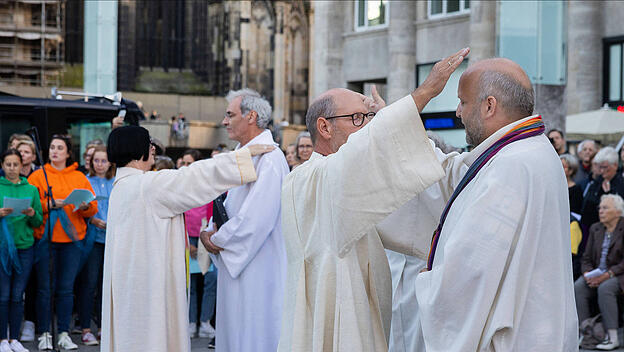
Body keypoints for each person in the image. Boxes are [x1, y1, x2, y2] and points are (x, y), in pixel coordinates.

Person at [278, 49, 462, 351]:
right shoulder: (308, 178)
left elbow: (413, 188)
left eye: (368, 118)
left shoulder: (351, 180)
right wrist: (424, 93)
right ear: (324, 127)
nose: (366, 126)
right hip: (334, 311)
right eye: (357, 118)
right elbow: (359, 156)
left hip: (360, 309)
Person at [100, 125, 274, 352]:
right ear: (137, 149)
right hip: (147, 288)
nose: (153, 149)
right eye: (148, 144)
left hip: (130, 284)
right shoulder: (147, 186)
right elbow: (195, 177)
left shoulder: (121, 187)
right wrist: (243, 157)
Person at [200, 88, 289, 352]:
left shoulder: (270, 158)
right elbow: (226, 205)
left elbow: (256, 219)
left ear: (251, 116)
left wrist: (215, 238)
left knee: (254, 332)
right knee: (234, 331)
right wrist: (209, 230)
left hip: (258, 265)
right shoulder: (241, 154)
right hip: (235, 260)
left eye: (230, 114)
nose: (224, 121)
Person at [27, 135, 98, 350]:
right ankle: (45, 333)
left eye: (60, 148)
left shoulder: (78, 176)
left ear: (68, 153)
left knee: (66, 289)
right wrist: (48, 204)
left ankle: (64, 333)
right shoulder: (38, 176)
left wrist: (85, 206)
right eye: (52, 147)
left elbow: (92, 206)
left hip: (72, 241)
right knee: (44, 289)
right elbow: (30, 206)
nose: (54, 151)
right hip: (45, 240)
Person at [0, 149, 43, 352]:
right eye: (8, 164)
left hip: (25, 247)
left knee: (18, 295)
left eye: (15, 164)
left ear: (21, 165)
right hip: (2, 248)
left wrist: (33, 212)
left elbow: (38, 221)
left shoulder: (31, 189)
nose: (11, 168)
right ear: (2, 165)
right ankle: (2, 339)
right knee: (3, 295)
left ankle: (14, 338)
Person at [75, 145, 114, 346]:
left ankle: (103, 327)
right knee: (89, 284)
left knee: (106, 285)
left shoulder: (115, 181)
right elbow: (78, 208)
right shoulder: (85, 181)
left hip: (112, 239)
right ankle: (85, 328)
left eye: (103, 160)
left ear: (110, 162)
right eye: (96, 160)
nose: (99, 164)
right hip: (92, 238)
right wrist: (93, 220)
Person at [574, 194, 624, 350]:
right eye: (600, 208)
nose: (600, 211)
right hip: (597, 274)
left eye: (605, 208)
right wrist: (588, 274)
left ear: (617, 211)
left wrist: (606, 275)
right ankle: (586, 333)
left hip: (618, 274)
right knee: (578, 287)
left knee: (606, 288)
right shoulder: (596, 228)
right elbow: (586, 258)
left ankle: (612, 336)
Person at [181, 149, 217, 341]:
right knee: (191, 284)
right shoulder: (181, 187)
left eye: (188, 163)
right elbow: (179, 216)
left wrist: (207, 238)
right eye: (183, 163)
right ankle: (190, 322)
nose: (184, 167)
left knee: (211, 280)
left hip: (205, 237)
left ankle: (205, 322)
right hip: (188, 238)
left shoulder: (208, 186)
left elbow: (212, 212)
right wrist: (188, 242)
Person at [581, 147, 624, 229]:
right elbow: (586, 208)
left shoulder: (621, 183)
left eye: (605, 167)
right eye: (600, 167)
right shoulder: (597, 181)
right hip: (595, 228)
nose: (601, 171)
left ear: (615, 165)